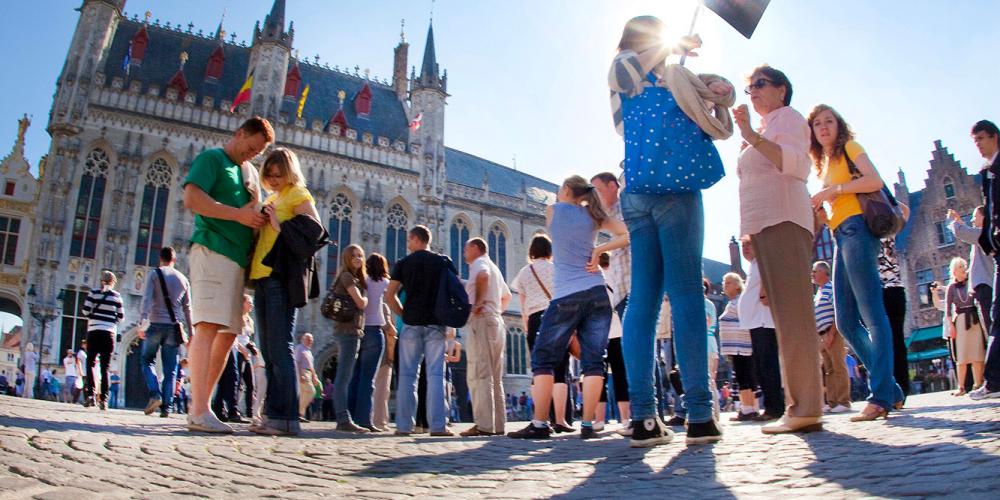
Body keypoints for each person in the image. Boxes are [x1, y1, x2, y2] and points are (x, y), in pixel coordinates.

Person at [608, 15, 734, 447]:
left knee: (642, 301)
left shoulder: (655, 72)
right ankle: (699, 413)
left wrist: (718, 89)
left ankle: (644, 417)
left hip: (638, 188)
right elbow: (629, 69)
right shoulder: (630, 64)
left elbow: (717, 95)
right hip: (675, 190)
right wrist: (674, 45)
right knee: (684, 295)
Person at [734, 66, 824, 433]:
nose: (752, 91)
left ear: (781, 90)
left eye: (759, 85)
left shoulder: (787, 117)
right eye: (749, 86)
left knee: (794, 318)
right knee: (785, 319)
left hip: (784, 220)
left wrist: (752, 136)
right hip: (768, 226)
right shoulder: (769, 124)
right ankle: (799, 405)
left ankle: (804, 406)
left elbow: (796, 165)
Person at [507, 175, 628, 442]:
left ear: (564, 190)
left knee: (543, 358)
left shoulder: (553, 210)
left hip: (566, 295)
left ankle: (539, 423)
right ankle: (587, 425)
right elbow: (625, 235)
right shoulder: (595, 215)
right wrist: (599, 251)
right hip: (597, 293)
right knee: (594, 362)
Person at [808, 103, 903, 421]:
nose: (823, 127)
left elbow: (874, 180)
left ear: (839, 125)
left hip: (859, 229)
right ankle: (891, 389)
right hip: (840, 236)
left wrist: (835, 190)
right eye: (817, 123)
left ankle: (880, 397)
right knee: (846, 320)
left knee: (873, 314)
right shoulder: (822, 164)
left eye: (828, 121)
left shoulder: (850, 147)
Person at [182, 116, 271, 433]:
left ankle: (202, 405)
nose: (252, 155)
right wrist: (239, 216)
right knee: (207, 327)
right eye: (251, 147)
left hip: (236, 259)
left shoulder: (247, 172)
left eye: (258, 152)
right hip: (213, 250)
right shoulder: (213, 159)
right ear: (239, 133)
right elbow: (192, 199)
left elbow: (251, 213)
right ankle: (199, 409)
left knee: (229, 333)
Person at [250, 146, 326, 435]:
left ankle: (286, 419)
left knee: (281, 348)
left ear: (289, 171)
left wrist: (279, 224)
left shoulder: (298, 193)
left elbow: (315, 232)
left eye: (278, 174)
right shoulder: (272, 196)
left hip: (281, 277)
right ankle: (272, 415)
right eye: (268, 175)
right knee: (268, 350)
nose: (272, 179)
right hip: (261, 275)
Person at [385, 225, 458, 437]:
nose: (407, 243)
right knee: (436, 375)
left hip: (411, 324)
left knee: (407, 376)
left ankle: (403, 426)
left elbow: (390, 296)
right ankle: (438, 426)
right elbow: (454, 292)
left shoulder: (403, 263)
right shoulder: (443, 262)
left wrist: (403, 314)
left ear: (416, 239)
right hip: (436, 324)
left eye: (409, 240)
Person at [510, 235, 573, 432]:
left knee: (540, 371)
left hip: (536, 319)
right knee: (561, 371)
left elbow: (522, 305)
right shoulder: (558, 269)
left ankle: (541, 420)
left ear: (531, 252)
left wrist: (527, 324)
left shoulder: (523, 273)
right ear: (549, 251)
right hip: (558, 317)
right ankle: (561, 420)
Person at [591, 172, 633, 433]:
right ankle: (637, 417)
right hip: (621, 292)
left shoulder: (623, 209)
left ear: (613, 186)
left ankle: (640, 416)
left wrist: (598, 249)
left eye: (598, 190)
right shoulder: (611, 215)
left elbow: (628, 235)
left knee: (631, 358)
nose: (595, 197)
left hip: (631, 290)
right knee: (627, 360)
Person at [460, 237, 512, 437]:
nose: (464, 253)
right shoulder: (495, 267)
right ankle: (497, 425)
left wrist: (479, 304)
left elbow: (482, 276)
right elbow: (506, 297)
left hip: (482, 320)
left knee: (480, 373)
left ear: (475, 248)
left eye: (466, 248)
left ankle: (483, 425)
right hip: (496, 321)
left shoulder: (479, 264)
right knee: (495, 376)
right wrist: (495, 312)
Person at [138, 246, 193, 418]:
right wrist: (191, 332)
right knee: (171, 370)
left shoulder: (155, 274)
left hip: (155, 324)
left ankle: (155, 394)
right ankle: (167, 408)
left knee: (147, 360)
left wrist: (142, 322)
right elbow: (187, 308)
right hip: (173, 328)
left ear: (160, 258)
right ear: (174, 260)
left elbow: (147, 299)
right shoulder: (183, 279)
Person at [737, 239, 784, 422]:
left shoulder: (763, 260)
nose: (746, 249)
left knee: (767, 365)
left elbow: (770, 276)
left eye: (749, 245)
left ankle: (774, 408)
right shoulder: (754, 265)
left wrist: (765, 291)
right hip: (756, 321)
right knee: (762, 365)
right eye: (743, 247)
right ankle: (771, 406)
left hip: (764, 320)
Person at [971, 119, 1000, 400]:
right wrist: (988, 241)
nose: (978, 144)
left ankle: (993, 380)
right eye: (975, 140)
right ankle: (993, 380)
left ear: (994, 136)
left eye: (981, 138)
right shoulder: (989, 172)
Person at [348, 253, 391, 431]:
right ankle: (364, 419)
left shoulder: (363, 280)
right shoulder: (385, 282)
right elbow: (391, 299)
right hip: (374, 330)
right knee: (368, 378)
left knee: (356, 376)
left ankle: (348, 416)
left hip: (360, 329)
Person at [329, 244, 370, 433]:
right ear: (346, 258)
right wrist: (366, 298)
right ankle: (343, 419)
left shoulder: (353, 277)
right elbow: (361, 302)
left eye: (360, 255)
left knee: (345, 376)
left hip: (351, 331)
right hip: (348, 331)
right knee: (343, 377)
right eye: (354, 256)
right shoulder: (347, 277)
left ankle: (344, 418)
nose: (358, 258)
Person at [80, 270, 125, 410]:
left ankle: (90, 395)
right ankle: (104, 399)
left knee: (90, 364)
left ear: (102, 280)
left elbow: (86, 311)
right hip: (108, 334)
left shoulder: (93, 293)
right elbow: (121, 317)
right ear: (113, 282)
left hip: (94, 332)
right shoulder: (117, 296)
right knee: (105, 367)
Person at [812, 261, 852, 413]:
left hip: (832, 332)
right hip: (822, 334)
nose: (813, 274)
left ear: (824, 272)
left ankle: (844, 400)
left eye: (815, 271)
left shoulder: (831, 289)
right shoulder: (818, 293)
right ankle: (832, 401)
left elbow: (838, 311)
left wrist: (831, 333)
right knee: (829, 370)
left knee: (838, 367)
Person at [878, 233, 913, 406]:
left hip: (881, 290)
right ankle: (902, 389)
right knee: (898, 342)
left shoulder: (867, 228)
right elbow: (904, 211)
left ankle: (892, 390)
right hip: (897, 289)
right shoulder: (888, 228)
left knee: (884, 343)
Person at [719, 273, 758, 421]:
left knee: (744, 376)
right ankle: (750, 407)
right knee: (744, 375)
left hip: (741, 345)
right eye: (724, 282)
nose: (725, 285)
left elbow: (746, 319)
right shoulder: (734, 302)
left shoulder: (740, 301)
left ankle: (747, 409)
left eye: (729, 282)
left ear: (737, 285)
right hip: (736, 345)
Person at [945, 257, 988, 394]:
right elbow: (947, 308)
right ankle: (961, 386)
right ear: (954, 271)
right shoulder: (951, 287)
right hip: (961, 321)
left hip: (974, 319)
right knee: (962, 356)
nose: (963, 269)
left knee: (977, 353)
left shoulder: (970, 283)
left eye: (964, 266)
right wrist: (951, 326)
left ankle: (978, 383)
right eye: (960, 267)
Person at [372, 303, 397, 430]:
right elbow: (388, 327)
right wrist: (397, 333)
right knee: (382, 388)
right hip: (383, 352)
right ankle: (380, 421)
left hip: (366, 348)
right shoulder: (383, 306)